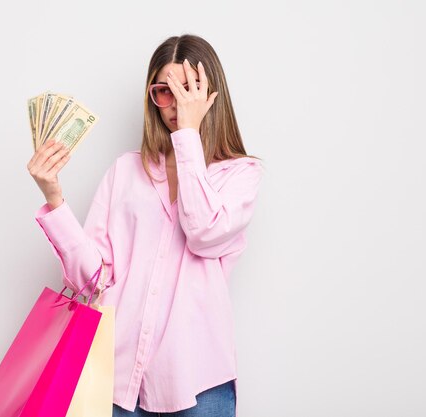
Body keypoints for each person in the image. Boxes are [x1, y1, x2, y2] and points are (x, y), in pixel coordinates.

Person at [27, 34, 263, 417]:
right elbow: (91, 280)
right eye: (163, 91)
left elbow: (204, 234)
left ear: (211, 95)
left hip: (197, 379)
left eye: (188, 89)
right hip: (116, 379)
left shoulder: (240, 174)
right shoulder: (125, 169)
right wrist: (54, 196)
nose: (175, 104)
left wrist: (187, 137)